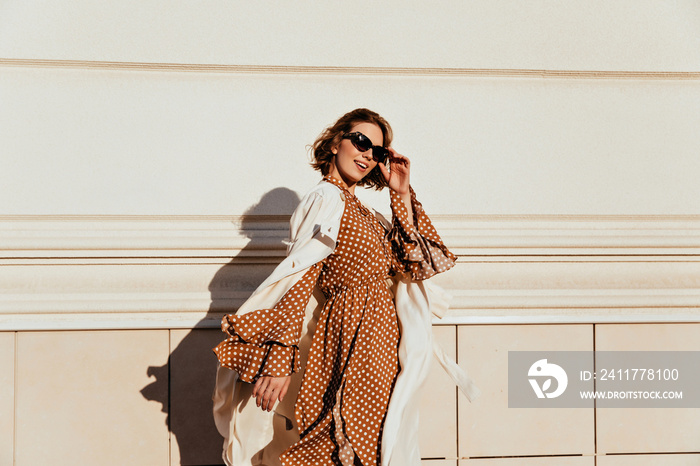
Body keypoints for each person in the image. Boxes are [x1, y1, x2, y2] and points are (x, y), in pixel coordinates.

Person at [212, 108, 476, 466]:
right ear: (336, 142)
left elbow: (418, 264)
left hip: (381, 340)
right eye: (361, 142)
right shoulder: (326, 199)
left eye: (378, 151)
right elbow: (299, 277)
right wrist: (278, 360)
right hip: (353, 336)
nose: (368, 154)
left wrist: (399, 191)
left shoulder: (365, 211)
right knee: (347, 441)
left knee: (376, 442)